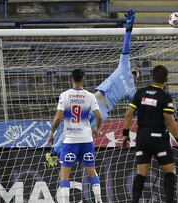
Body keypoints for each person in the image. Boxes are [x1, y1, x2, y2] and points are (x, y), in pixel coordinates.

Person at [45, 9, 139, 167]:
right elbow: (135, 110)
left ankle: (56, 153)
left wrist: (129, 25)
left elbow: (135, 110)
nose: (135, 72)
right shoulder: (129, 81)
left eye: (136, 71)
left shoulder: (127, 76)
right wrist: (129, 27)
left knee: (73, 128)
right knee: (80, 132)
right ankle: (60, 155)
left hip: (96, 105)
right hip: (100, 108)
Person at [121, 65, 178, 203]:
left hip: (142, 137)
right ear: (166, 79)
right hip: (158, 138)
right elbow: (169, 120)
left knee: (141, 173)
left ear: (152, 76)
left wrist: (125, 134)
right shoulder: (165, 97)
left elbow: (128, 114)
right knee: (169, 171)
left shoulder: (140, 93)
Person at [47, 68, 103, 203]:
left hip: (70, 140)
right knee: (91, 171)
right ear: (83, 79)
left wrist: (52, 133)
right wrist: (96, 129)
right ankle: (99, 200)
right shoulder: (90, 96)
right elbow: (99, 117)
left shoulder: (65, 95)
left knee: (65, 174)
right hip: (86, 140)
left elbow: (58, 118)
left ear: (71, 79)